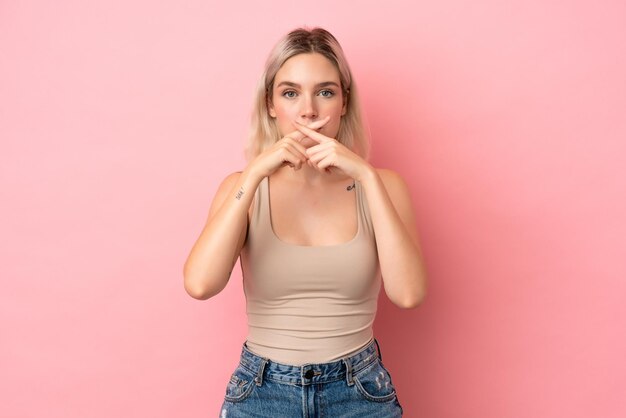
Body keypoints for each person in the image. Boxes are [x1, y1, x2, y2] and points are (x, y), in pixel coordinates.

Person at [183, 27, 427, 417]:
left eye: (326, 92)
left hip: (359, 392)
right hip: (262, 393)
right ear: (270, 105)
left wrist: (365, 176)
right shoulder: (242, 188)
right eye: (291, 93)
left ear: (344, 103)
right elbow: (200, 284)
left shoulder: (384, 185)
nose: (309, 110)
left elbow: (409, 294)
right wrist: (253, 175)